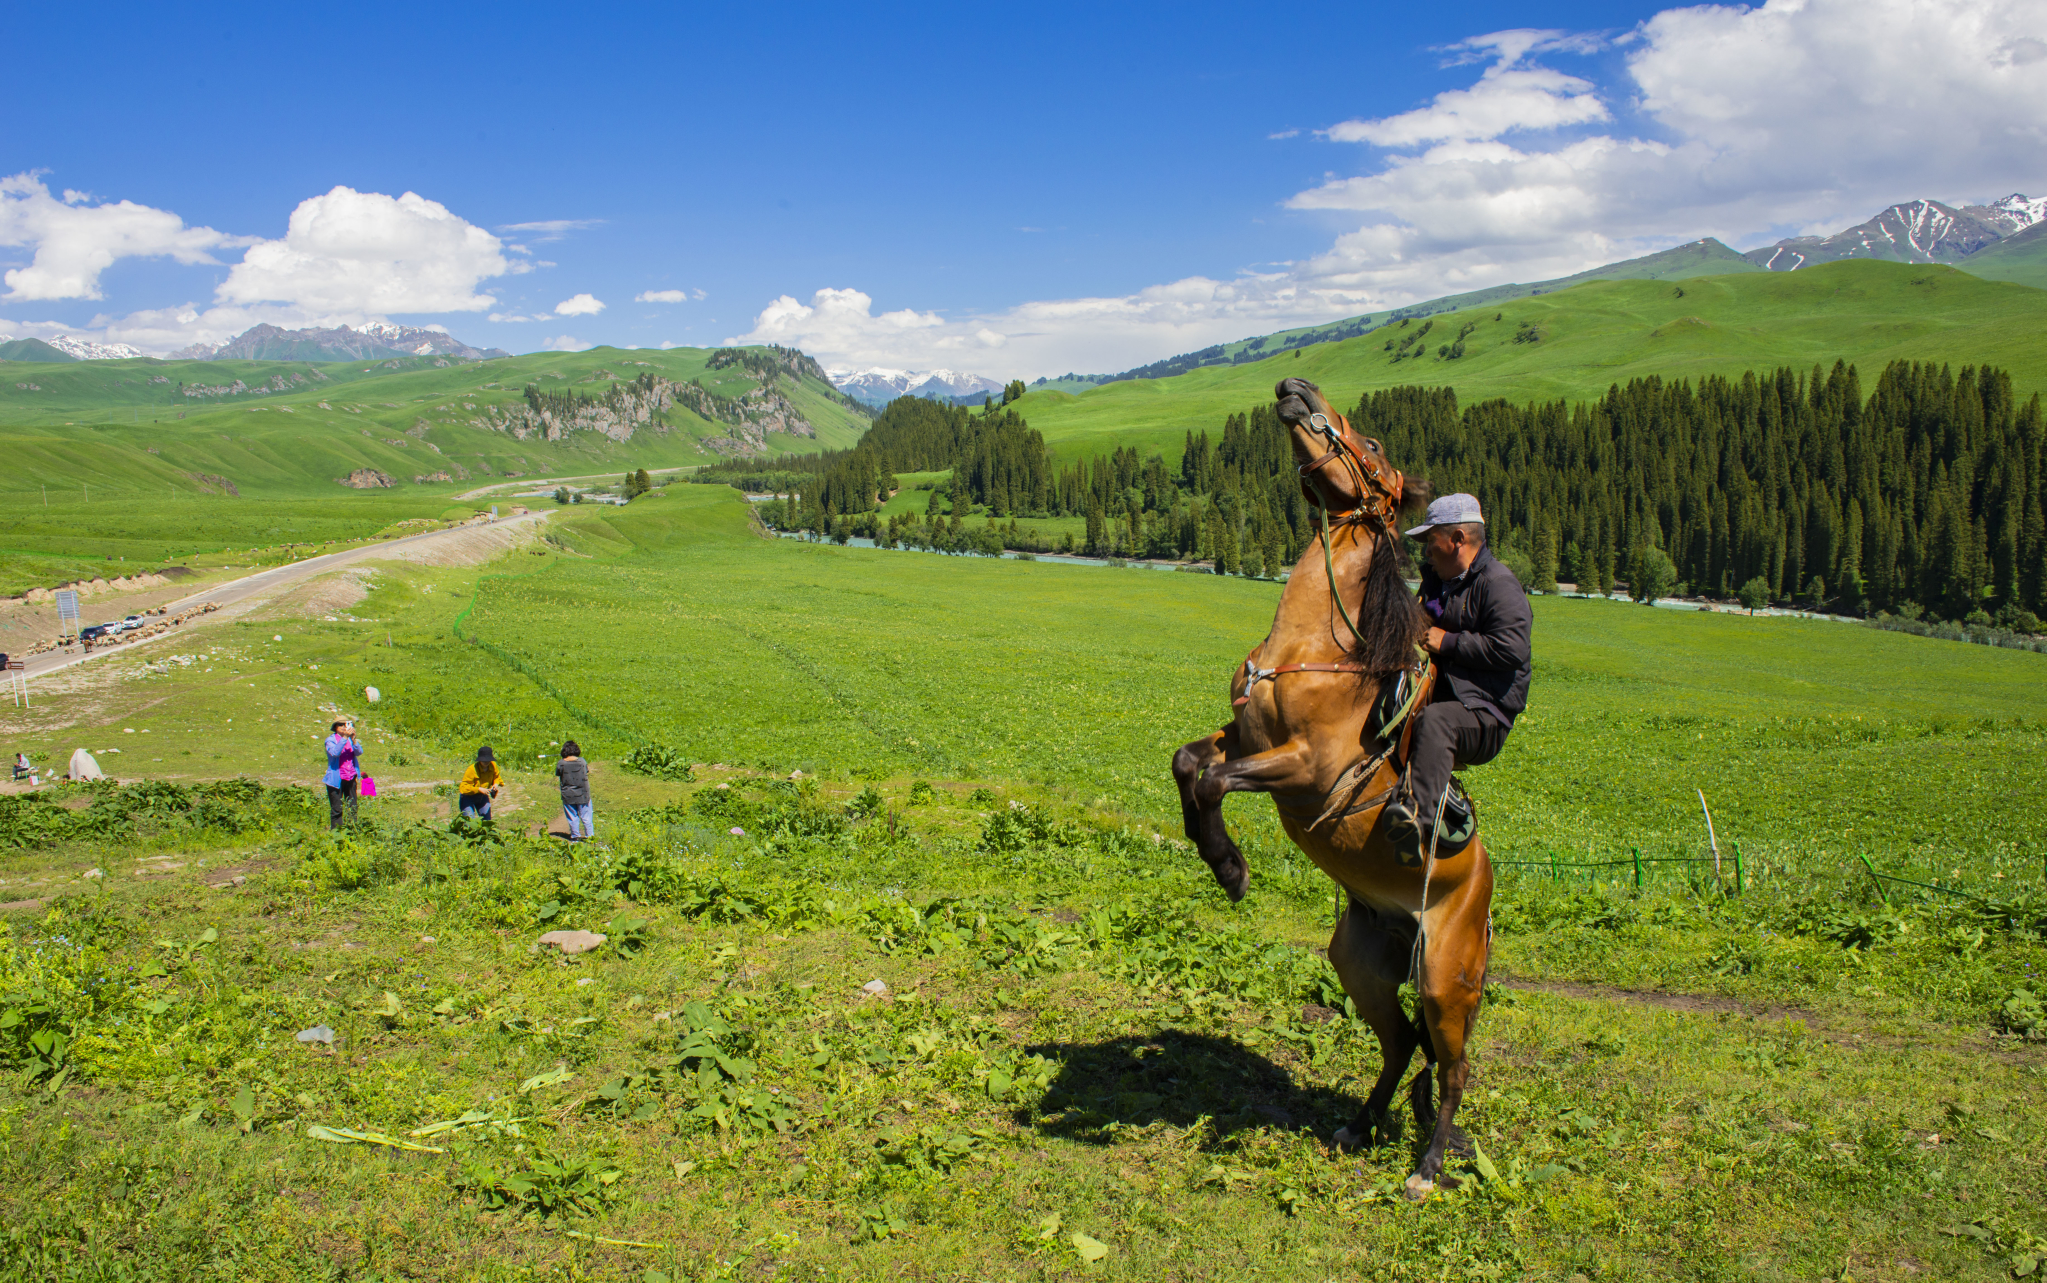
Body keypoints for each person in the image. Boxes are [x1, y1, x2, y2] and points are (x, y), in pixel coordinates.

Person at [1383, 493, 1532, 861]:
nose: (1426, 553)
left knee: (1436, 722)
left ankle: (1418, 821)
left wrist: (1447, 642)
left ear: (1458, 540)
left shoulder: (1499, 584)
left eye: (1431, 541)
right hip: (1447, 695)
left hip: (1485, 712)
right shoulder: (1439, 580)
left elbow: (1512, 649)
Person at [323, 719, 362, 830]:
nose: (344, 727)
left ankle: (353, 829)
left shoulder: (350, 740)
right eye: (340, 725)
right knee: (337, 808)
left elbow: (359, 752)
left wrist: (353, 740)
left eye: (346, 725)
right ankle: (337, 833)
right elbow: (335, 752)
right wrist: (344, 738)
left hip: (350, 776)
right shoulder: (330, 740)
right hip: (336, 778)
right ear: (335, 727)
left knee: (352, 806)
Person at [555, 740, 593, 841]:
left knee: (572, 817)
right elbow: (587, 771)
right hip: (583, 794)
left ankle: (575, 837)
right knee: (586, 817)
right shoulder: (582, 761)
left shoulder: (561, 763)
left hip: (568, 794)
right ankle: (590, 837)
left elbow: (558, 773)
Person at [459, 745, 501, 820]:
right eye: (484, 760)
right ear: (479, 760)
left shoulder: (493, 766)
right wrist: (478, 789)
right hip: (468, 797)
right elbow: (463, 788)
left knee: (487, 822)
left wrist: (495, 784)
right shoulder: (471, 770)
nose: (486, 762)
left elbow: (497, 777)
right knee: (469, 823)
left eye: (488, 760)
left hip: (483, 797)